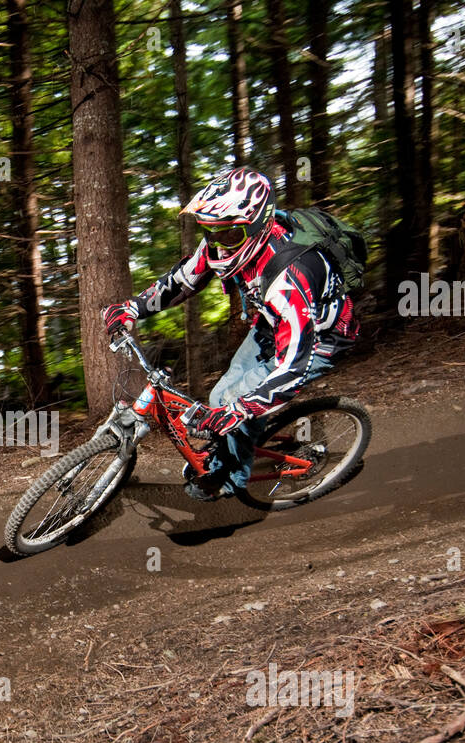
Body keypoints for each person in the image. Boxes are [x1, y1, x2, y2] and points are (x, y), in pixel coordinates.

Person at [101, 166, 360, 501]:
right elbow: (183, 280)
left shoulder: (289, 275)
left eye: (227, 235)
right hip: (273, 323)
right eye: (209, 231)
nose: (216, 244)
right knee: (220, 397)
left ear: (256, 226)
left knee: (232, 404)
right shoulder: (227, 241)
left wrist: (243, 409)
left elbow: (294, 365)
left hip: (319, 339)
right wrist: (133, 307)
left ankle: (231, 480)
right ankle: (243, 436)